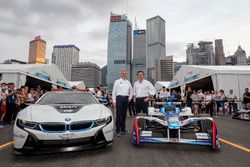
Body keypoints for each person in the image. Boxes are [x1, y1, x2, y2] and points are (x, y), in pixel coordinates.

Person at [112, 70, 133, 137]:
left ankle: (123, 129)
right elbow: (114, 92)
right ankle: (118, 130)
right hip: (119, 98)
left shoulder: (128, 82)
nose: (124, 74)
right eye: (123, 73)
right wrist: (114, 101)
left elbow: (131, 91)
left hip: (126, 99)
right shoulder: (117, 81)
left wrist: (129, 99)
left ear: (126, 75)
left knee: (124, 115)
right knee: (119, 115)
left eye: (125, 73)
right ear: (120, 74)